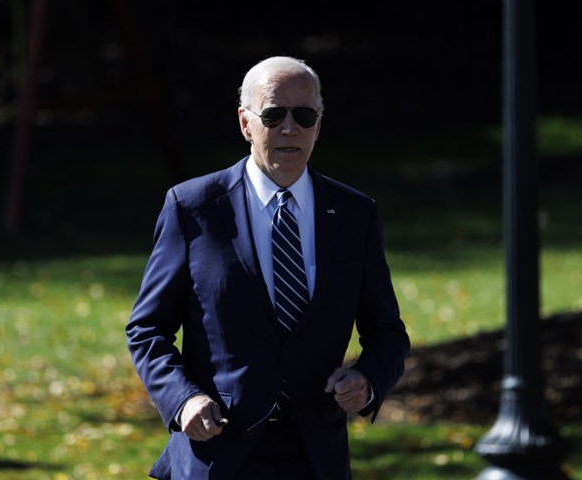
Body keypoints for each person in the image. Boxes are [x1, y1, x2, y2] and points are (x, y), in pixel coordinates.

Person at [126, 55, 410, 480]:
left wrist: (368, 380)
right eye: (274, 115)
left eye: (304, 115)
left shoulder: (355, 214)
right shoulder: (193, 207)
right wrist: (183, 400)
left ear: (319, 124)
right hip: (216, 452)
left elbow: (387, 331)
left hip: (317, 456)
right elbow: (147, 329)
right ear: (246, 123)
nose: (289, 129)